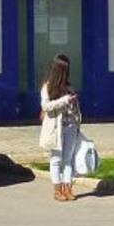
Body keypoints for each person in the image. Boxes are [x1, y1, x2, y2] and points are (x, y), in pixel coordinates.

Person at [39, 53, 81, 202]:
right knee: (56, 159)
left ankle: (68, 187)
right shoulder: (47, 87)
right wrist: (63, 100)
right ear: (58, 70)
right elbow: (45, 106)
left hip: (70, 126)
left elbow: (75, 107)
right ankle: (57, 190)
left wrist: (77, 122)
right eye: (65, 69)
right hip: (55, 129)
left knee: (68, 159)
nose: (67, 72)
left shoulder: (69, 86)